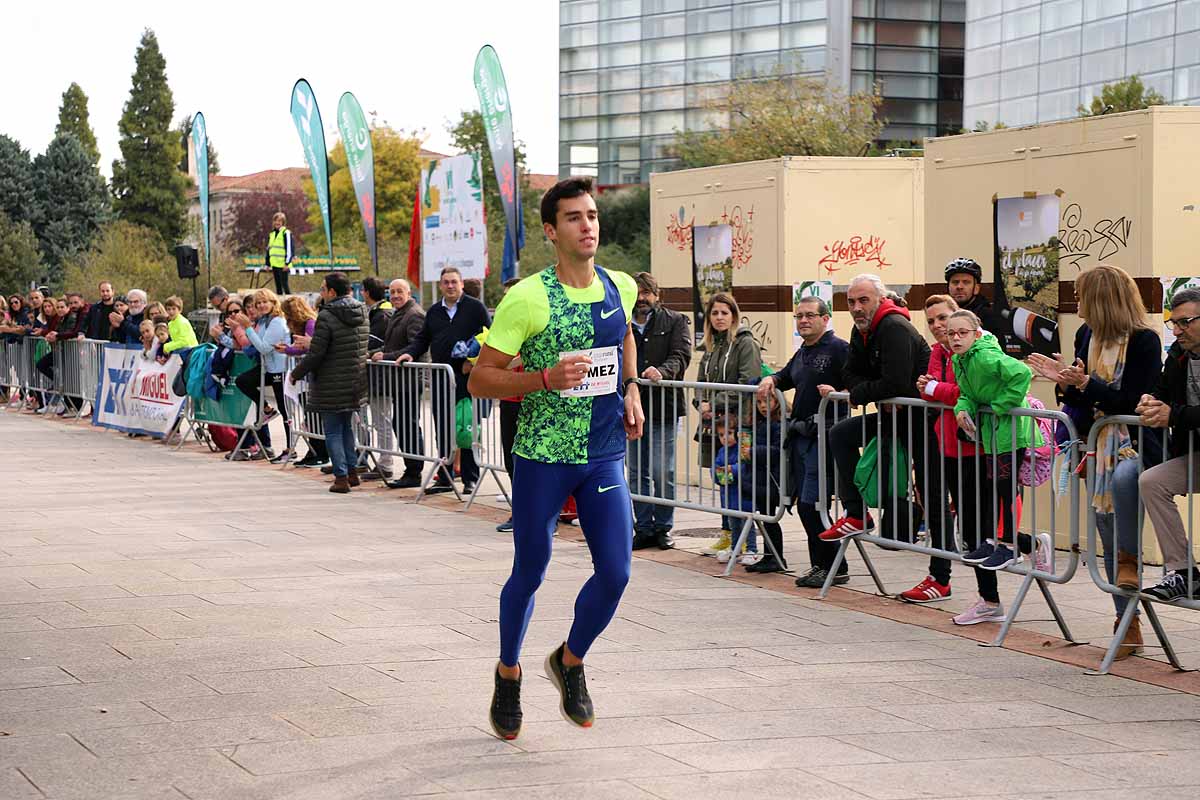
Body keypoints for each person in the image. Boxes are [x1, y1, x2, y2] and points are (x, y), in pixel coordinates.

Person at [467, 177, 644, 741]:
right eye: (573, 217)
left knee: (616, 571)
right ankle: (508, 671)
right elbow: (479, 378)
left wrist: (633, 388)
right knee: (531, 569)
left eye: (592, 215)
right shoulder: (527, 297)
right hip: (544, 456)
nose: (587, 225)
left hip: (603, 453)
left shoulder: (622, 286)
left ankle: (569, 660)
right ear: (551, 231)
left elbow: (623, 341)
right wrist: (542, 378)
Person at [1030, 265, 1161, 656]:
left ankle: (1129, 575)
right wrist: (1066, 383)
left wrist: (1087, 385)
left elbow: (1134, 401)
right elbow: (1076, 400)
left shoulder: (1144, 342)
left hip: (1136, 447)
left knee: (1123, 502)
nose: (1078, 306)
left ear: (1102, 300)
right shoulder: (1086, 335)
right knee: (1106, 532)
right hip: (1095, 446)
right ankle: (1127, 620)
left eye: (1083, 296)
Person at [820, 275, 953, 602]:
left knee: (932, 496)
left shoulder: (894, 327)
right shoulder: (860, 330)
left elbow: (894, 382)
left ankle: (941, 577)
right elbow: (849, 373)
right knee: (841, 434)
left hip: (924, 420)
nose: (856, 308)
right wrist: (865, 391)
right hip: (896, 415)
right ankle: (856, 513)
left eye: (863, 300)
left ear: (880, 299)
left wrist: (859, 394)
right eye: (851, 302)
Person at [914, 296, 1002, 620]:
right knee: (968, 527)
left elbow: (971, 393)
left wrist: (937, 388)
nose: (940, 328)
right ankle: (988, 599)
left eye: (944, 320)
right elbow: (930, 389)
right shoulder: (939, 351)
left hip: (979, 448)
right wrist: (937, 388)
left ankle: (992, 598)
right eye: (933, 322)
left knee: (980, 525)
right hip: (949, 445)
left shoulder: (982, 348)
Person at [948, 310, 1050, 576]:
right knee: (994, 485)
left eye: (962, 333)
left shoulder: (984, 355)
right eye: (951, 334)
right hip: (993, 432)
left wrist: (998, 406)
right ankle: (997, 540)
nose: (956, 338)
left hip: (1011, 430)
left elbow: (1021, 374)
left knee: (1005, 486)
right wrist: (962, 408)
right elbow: (967, 393)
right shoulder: (960, 360)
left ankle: (1009, 544)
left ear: (976, 333)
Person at [758, 295, 850, 586]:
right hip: (799, 438)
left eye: (810, 315)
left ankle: (833, 565)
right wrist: (770, 379)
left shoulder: (839, 349)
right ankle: (822, 565)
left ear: (826, 319)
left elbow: (856, 384)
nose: (804, 320)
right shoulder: (802, 352)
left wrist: (838, 390)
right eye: (799, 316)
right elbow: (785, 376)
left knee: (813, 504)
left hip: (824, 437)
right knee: (804, 505)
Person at [397, 266, 491, 494]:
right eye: (446, 282)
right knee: (444, 429)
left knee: (466, 429)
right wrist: (410, 352)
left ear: (461, 284)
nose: (450, 286)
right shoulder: (434, 311)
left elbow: (491, 336)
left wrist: (475, 361)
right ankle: (446, 477)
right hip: (441, 379)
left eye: (454, 282)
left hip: (466, 379)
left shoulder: (475, 307)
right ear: (440, 285)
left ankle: (470, 478)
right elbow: (423, 339)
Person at [1138, 287, 1200, 605]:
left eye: (1185, 322)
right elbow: (1160, 390)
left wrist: (1173, 414)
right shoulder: (1177, 353)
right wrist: (1150, 402)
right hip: (1195, 452)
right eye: (1173, 323)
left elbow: (1175, 412)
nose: (1177, 330)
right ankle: (1184, 572)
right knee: (1152, 480)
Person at [695, 292, 763, 560]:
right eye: (714, 313)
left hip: (741, 427)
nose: (719, 318)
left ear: (734, 315)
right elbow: (699, 383)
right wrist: (701, 402)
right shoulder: (711, 346)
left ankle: (749, 542)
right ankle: (728, 536)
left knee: (741, 482)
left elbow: (749, 382)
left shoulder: (745, 343)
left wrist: (716, 401)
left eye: (724, 313)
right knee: (722, 480)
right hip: (715, 427)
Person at [629, 271, 691, 551]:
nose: (642, 299)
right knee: (636, 472)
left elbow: (681, 355)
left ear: (657, 295)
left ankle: (664, 526)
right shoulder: (622, 322)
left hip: (663, 407)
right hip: (631, 408)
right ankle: (642, 528)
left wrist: (662, 371)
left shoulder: (676, 321)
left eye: (647, 293)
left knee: (661, 470)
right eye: (638, 293)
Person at [290, 272, 369, 493]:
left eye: (323, 289)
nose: (321, 293)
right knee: (346, 428)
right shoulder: (362, 310)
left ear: (332, 292)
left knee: (333, 430)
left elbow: (317, 353)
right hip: (355, 379)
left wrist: (296, 372)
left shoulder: (327, 314)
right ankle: (352, 471)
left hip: (330, 381)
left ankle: (341, 477)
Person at [378, 278, 428, 489]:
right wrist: (376, 354)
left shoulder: (414, 314)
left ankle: (414, 470)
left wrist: (386, 356)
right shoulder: (399, 313)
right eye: (392, 292)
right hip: (399, 381)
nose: (396, 295)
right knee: (401, 423)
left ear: (409, 293)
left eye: (400, 291)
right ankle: (411, 469)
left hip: (409, 380)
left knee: (407, 424)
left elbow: (415, 348)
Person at [277, 295, 330, 469]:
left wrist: (291, 352)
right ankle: (314, 450)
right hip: (306, 377)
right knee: (309, 416)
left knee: (313, 417)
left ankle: (321, 452)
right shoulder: (304, 325)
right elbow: (301, 348)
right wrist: (288, 350)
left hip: (311, 377)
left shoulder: (309, 324)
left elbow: (311, 348)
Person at [361, 277, 395, 481]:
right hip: (376, 377)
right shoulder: (379, 312)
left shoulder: (381, 314)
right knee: (378, 420)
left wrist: (362, 352)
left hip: (381, 378)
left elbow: (371, 343)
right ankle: (379, 459)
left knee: (381, 421)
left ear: (366, 292)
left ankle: (386, 462)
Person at [265, 212, 294, 296]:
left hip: (283, 264)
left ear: (283, 222)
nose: (277, 223)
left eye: (279, 221)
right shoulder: (272, 234)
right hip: (274, 263)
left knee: (285, 285)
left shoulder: (286, 232)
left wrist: (287, 263)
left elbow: (289, 248)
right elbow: (269, 249)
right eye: (275, 221)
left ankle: (290, 302)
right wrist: (267, 264)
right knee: (278, 286)